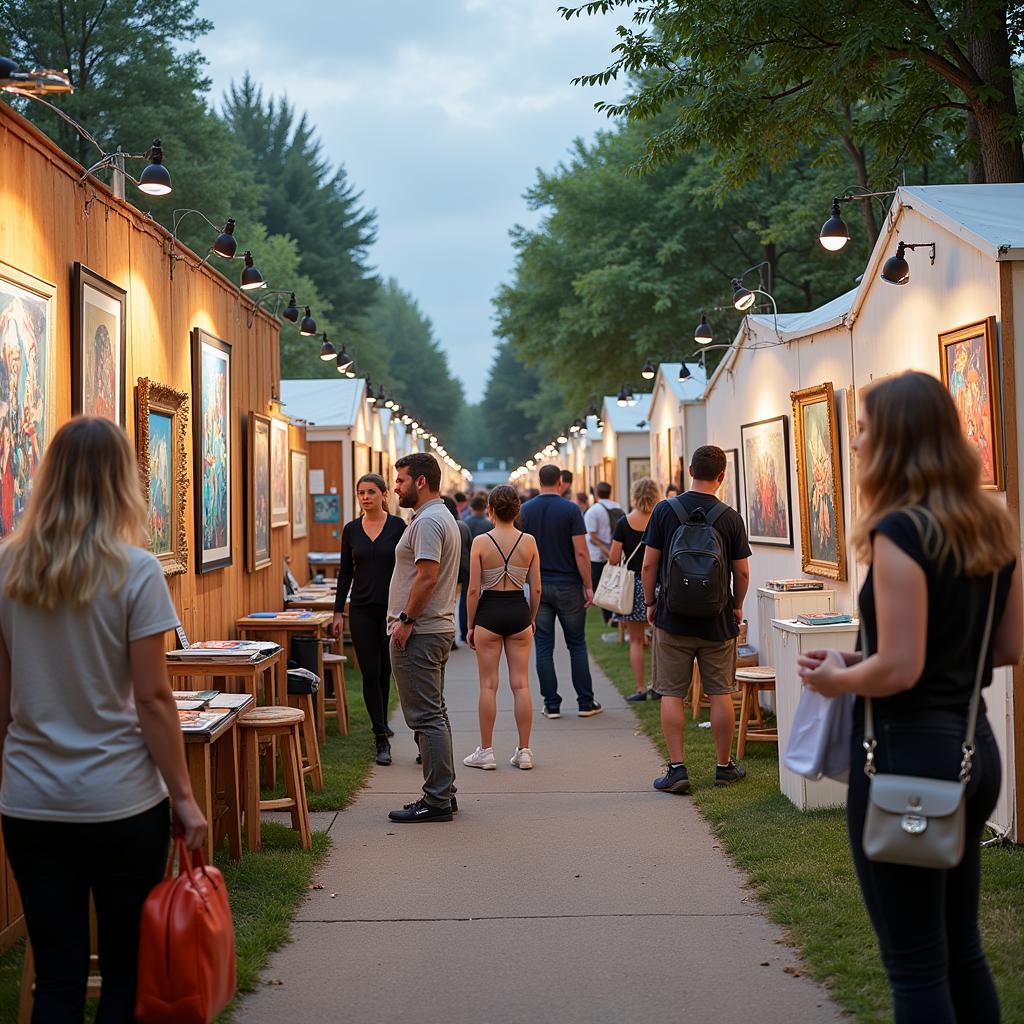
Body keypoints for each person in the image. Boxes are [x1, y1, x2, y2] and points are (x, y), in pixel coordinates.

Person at [798, 371, 1021, 1023]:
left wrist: (837, 679)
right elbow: (1006, 647)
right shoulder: (990, 524)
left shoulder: (900, 533)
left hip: (907, 760)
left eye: (864, 429)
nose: (858, 443)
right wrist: (858, 659)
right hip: (974, 749)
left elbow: (900, 667)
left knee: (916, 964)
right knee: (961, 952)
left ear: (896, 439)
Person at [0, 417, 207, 1022]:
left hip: (32, 799)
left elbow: (4, 695)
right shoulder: (135, 570)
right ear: (121, 482)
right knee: (123, 970)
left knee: (57, 977)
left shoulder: (10, 568)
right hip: (120, 798)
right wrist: (185, 797)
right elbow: (151, 697)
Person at [641, 445, 751, 793]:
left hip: (672, 618)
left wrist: (649, 602)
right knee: (720, 692)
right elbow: (743, 572)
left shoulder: (664, 511)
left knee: (672, 693)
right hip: (717, 621)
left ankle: (677, 769)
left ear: (690, 471)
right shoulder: (730, 517)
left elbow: (648, 565)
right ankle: (723, 767)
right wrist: (735, 606)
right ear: (722, 476)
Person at [387, 453, 462, 823]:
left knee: (425, 716)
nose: (395, 487)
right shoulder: (437, 516)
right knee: (436, 712)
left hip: (421, 630)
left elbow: (427, 576)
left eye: (400, 480)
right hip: (433, 628)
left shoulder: (430, 521)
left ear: (420, 481)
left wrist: (405, 620)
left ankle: (435, 800)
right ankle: (443, 792)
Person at [463, 486, 541, 770]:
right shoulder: (529, 541)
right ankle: (524, 751)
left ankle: (486, 751)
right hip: (518, 610)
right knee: (521, 684)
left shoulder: (481, 542)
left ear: (490, 510)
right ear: (517, 510)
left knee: (488, 684)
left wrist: (471, 625)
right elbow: (537, 588)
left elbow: (473, 590)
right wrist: (531, 617)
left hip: (489, 612)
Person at [332, 473, 406, 766]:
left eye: (371, 492)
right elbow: (344, 573)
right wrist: (338, 611)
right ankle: (380, 738)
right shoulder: (351, 530)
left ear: (384, 495)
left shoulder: (399, 527)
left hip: (391, 611)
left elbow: (408, 569)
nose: (365, 497)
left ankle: (383, 721)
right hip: (361, 609)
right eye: (361, 492)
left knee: (387, 670)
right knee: (369, 672)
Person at [519, 464, 602, 718]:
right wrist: (588, 585)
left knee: (543, 646)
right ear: (561, 482)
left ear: (540, 480)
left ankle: (551, 704)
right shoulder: (570, 509)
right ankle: (585, 703)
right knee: (576, 644)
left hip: (538, 585)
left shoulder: (525, 510)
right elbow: (580, 551)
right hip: (568, 584)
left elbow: (522, 550)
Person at [608, 477, 662, 701]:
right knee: (661, 640)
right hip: (658, 584)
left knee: (636, 640)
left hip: (632, 586)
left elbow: (613, 558)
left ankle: (640, 688)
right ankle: (660, 687)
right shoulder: (661, 519)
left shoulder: (624, 522)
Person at [584, 481, 623, 625]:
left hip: (597, 555)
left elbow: (592, 536)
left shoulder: (593, 511)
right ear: (610, 492)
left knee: (601, 588)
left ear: (596, 494)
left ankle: (609, 618)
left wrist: (606, 551)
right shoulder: (618, 507)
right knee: (614, 586)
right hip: (617, 551)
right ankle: (615, 615)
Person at [443, 495, 473, 647]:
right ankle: (463, 630)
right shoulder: (462, 526)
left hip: (446, 572)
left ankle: (450, 638)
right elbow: (469, 546)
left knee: (447, 605)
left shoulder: (440, 525)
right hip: (463, 569)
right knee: (461, 603)